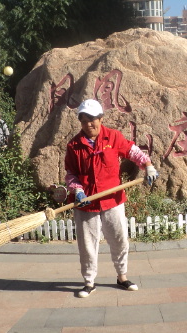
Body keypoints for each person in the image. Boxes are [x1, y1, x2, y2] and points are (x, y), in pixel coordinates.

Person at [65, 99, 159, 298]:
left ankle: (122, 276)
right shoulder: (74, 145)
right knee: (87, 245)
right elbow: (71, 174)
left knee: (119, 239)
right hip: (86, 203)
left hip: (112, 200)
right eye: (84, 120)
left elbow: (133, 152)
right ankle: (89, 282)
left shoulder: (113, 137)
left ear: (100, 118)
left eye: (92, 119)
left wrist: (148, 165)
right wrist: (77, 190)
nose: (88, 124)